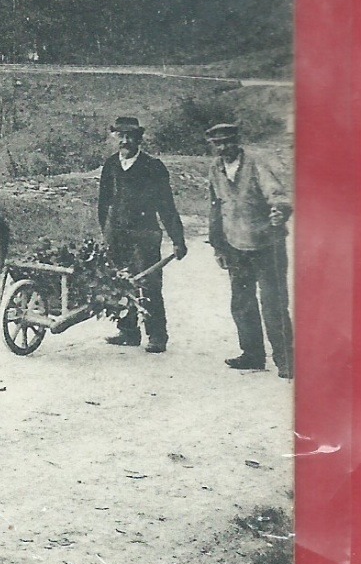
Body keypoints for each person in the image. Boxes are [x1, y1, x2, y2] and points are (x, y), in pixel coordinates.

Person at [205, 122, 293, 378]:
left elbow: (277, 194)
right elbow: (215, 208)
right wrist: (218, 246)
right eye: (218, 144)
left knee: (273, 304)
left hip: (267, 244)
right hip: (234, 245)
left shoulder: (256, 163)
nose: (224, 148)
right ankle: (252, 355)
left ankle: (286, 360)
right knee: (242, 302)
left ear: (237, 141)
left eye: (228, 142)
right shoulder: (215, 169)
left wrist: (279, 211)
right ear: (213, 146)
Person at [97, 116, 187, 353]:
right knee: (119, 282)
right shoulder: (111, 165)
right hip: (116, 233)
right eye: (121, 136)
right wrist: (105, 230)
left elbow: (167, 206)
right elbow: (103, 201)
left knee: (148, 284)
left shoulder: (153, 166)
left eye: (130, 136)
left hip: (145, 233)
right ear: (116, 137)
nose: (125, 141)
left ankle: (157, 335)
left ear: (139, 138)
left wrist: (178, 240)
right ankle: (128, 331)